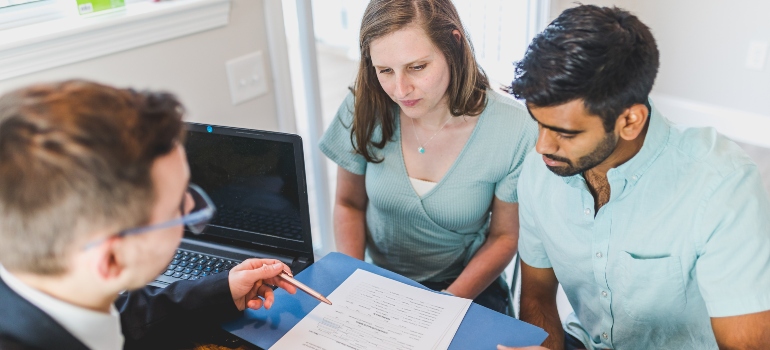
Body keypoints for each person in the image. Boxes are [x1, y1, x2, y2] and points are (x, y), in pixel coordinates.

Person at [497, 5, 770, 350]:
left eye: (565, 133)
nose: (541, 147)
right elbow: (537, 295)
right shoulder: (543, 170)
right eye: (538, 122)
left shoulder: (723, 186)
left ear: (630, 122)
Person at [0, 80, 297, 349]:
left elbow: (124, 315)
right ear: (112, 260)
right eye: (177, 210)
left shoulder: (59, 286)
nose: (192, 211)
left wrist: (225, 289)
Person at [319, 0, 537, 314]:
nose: (400, 89)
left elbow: (504, 236)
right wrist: (355, 280)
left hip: (465, 287)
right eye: (385, 70)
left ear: (454, 44)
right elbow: (348, 204)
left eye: (417, 67)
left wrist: (445, 303)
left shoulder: (515, 129)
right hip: (375, 281)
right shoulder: (363, 105)